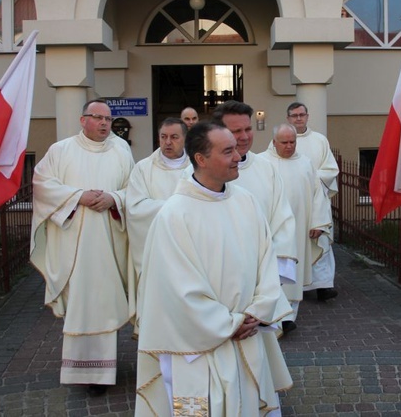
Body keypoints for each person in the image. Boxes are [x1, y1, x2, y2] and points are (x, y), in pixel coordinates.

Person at [135, 122, 293, 416]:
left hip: (247, 335)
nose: (238, 157)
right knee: (196, 409)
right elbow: (177, 291)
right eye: (228, 151)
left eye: (236, 149)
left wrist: (259, 310)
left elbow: (266, 262)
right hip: (195, 348)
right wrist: (230, 323)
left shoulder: (246, 202)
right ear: (201, 159)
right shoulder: (174, 215)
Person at [30, 98, 135, 396]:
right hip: (73, 244)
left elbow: (134, 188)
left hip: (108, 244)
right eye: (97, 117)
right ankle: (82, 370)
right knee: (81, 305)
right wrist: (78, 197)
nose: (104, 123)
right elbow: (41, 185)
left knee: (103, 302)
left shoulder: (121, 150)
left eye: (108, 119)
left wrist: (114, 199)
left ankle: (102, 372)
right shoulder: (60, 150)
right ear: (82, 120)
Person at [210, 101, 299, 299]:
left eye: (248, 129)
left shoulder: (266, 169)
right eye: (236, 131)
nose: (244, 137)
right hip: (217, 277)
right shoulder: (200, 173)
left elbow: (282, 218)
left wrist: (276, 271)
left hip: (261, 275)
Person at [260, 124, 332, 334]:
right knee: (272, 271)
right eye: (284, 142)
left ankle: (290, 316)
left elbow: (318, 195)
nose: (289, 146)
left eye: (292, 142)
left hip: (299, 229)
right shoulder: (262, 163)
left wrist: (317, 222)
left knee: (294, 272)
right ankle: (273, 314)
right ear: (274, 142)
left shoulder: (305, 164)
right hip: (271, 229)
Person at [125, 117, 190, 334]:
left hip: (190, 249)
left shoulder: (197, 167)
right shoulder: (143, 169)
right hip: (155, 249)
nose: (168, 142)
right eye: (163, 137)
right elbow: (135, 208)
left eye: (174, 137)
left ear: (185, 139)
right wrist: (175, 208)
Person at [283, 101, 340, 301]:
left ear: (307, 116)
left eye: (302, 114)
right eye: (294, 115)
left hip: (317, 201)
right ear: (288, 118)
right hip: (293, 202)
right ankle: (294, 286)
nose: (298, 118)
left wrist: (312, 180)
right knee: (295, 242)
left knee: (320, 239)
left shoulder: (319, 140)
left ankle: (323, 286)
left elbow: (331, 169)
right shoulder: (281, 140)